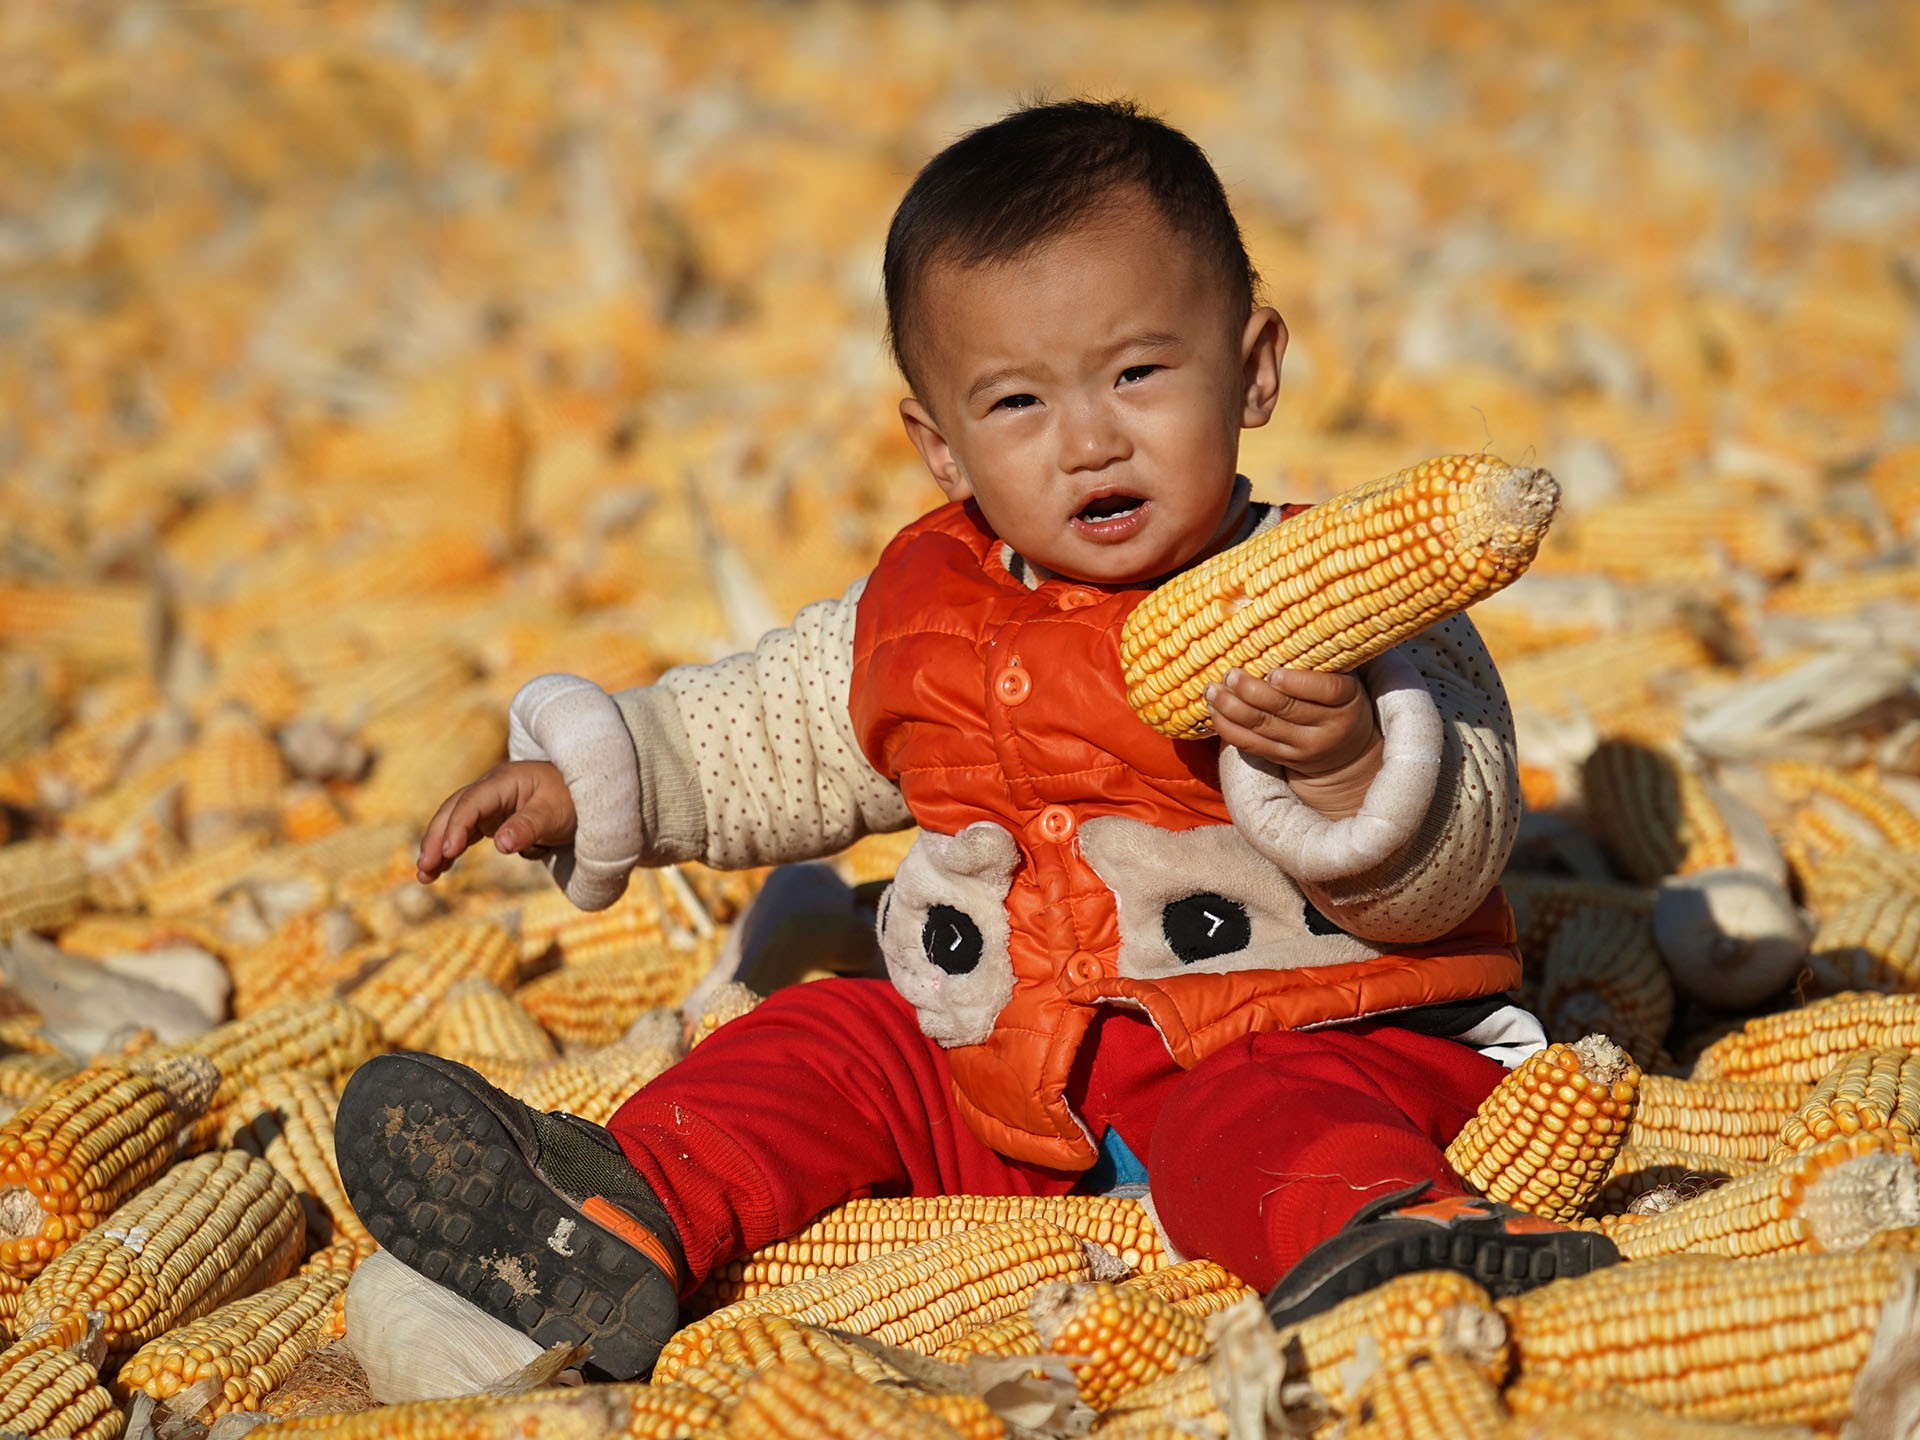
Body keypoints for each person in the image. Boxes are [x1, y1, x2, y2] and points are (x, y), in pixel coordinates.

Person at [335, 97, 1615, 1383]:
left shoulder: (1345, 606)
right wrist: (592, 779)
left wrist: (1345, 766)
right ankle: (621, 1215)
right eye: (1016, 403)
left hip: (1308, 1038)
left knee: (1267, 1112)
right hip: (1014, 1085)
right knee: (829, 1041)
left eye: (1139, 373)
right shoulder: (923, 611)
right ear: (940, 448)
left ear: (1255, 367)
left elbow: (1464, 844)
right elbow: (767, 731)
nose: (1089, 438)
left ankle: (1390, 1232)